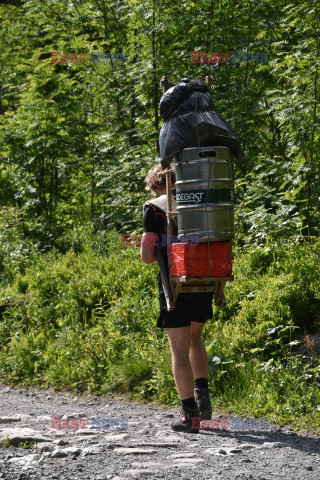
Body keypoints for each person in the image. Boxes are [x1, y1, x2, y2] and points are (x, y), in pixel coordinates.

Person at [140, 164, 213, 433]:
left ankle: (189, 415)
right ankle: (202, 397)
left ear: (158, 185)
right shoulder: (200, 201)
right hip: (204, 279)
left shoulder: (154, 207)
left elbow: (148, 256)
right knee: (195, 338)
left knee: (178, 349)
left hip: (175, 284)